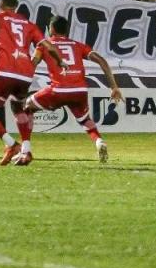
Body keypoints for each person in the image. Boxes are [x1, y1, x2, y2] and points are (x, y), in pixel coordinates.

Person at [0, 0, 65, 166]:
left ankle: (11, 145)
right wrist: (60, 62)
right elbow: (48, 46)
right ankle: (26, 150)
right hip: (25, 74)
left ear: (0, 3)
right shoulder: (29, 24)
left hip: (5, 71)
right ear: (16, 5)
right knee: (18, 108)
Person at [22, 16, 123, 163]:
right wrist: (114, 87)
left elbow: (33, 64)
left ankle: (26, 149)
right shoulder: (77, 45)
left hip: (58, 90)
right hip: (79, 91)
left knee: (26, 107)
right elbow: (101, 60)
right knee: (85, 119)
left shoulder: (43, 45)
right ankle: (99, 142)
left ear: (52, 29)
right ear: (66, 30)